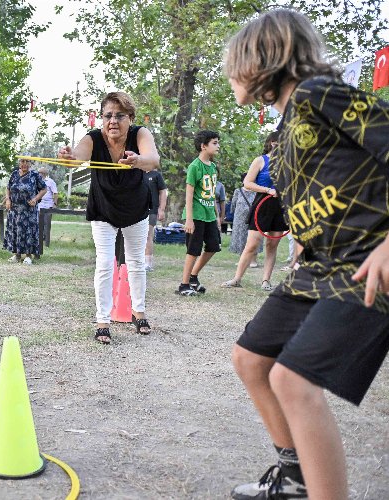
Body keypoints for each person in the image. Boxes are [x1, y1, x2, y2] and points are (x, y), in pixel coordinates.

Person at [225, 9, 389, 500]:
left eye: (234, 62)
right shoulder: (287, 123)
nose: (230, 74)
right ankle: (295, 480)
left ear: (261, 60)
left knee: (292, 381)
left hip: (364, 263)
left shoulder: (320, 93)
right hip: (320, 265)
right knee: (251, 359)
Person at [58, 91, 160, 343]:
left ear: (130, 118)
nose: (113, 121)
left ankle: (139, 312)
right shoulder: (93, 138)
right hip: (104, 208)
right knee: (105, 263)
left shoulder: (140, 134)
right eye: (108, 116)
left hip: (135, 207)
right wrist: (69, 157)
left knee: (136, 262)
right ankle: (102, 320)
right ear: (101, 118)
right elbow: (78, 157)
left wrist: (138, 160)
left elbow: (153, 161)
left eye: (119, 116)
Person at [221, 132, 287, 291]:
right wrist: (268, 190)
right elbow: (247, 183)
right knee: (252, 245)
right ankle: (237, 279)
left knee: (272, 245)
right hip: (262, 205)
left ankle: (266, 280)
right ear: (273, 142)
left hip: (281, 206)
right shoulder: (260, 160)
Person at [176, 130, 222, 297]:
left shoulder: (214, 167)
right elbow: (189, 194)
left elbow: (212, 194)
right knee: (193, 250)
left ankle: (193, 277)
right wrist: (189, 219)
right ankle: (184, 284)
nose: (218, 146)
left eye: (218, 142)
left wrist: (217, 216)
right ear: (203, 146)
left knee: (213, 246)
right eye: (214, 143)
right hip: (195, 215)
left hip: (209, 215)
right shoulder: (195, 166)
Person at [3, 156, 47, 265]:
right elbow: (8, 188)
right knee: (16, 231)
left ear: (30, 163)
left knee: (28, 232)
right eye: (22, 161)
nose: (25, 164)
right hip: (14, 209)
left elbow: (44, 188)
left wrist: (36, 199)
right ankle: (16, 255)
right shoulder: (14, 174)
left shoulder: (35, 175)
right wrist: (8, 200)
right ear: (19, 163)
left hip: (29, 210)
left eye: (27, 161)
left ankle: (28, 255)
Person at [228, 173, 263, 260]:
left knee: (254, 238)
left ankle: (253, 260)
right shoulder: (238, 191)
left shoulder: (257, 192)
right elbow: (233, 204)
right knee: (241, 238)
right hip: (240, 220)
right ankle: (241, 259)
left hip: (254, 218)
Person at [143, 169, 168, 271]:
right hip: (136, 210)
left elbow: (163, 192)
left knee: (148, 235)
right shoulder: (137, 172)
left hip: (151, 210)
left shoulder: (156, 175)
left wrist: (161, 209)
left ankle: (148, 263)